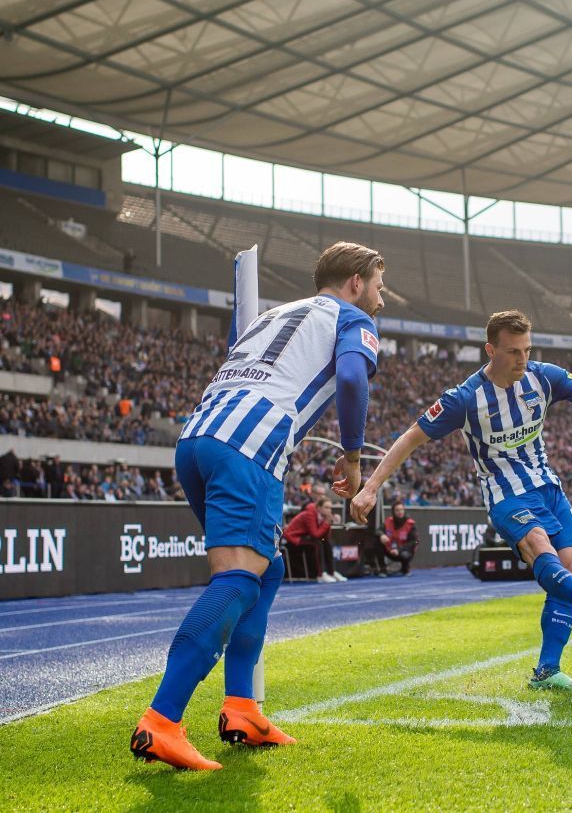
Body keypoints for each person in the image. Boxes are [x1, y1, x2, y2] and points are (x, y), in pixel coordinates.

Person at [131, 241, 384, 771]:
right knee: (239, 578)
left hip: (198, 437)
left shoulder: (273, 314)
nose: (382, 299)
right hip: (251, 444)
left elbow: (235, 351)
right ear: (356, 282)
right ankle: (161, 721)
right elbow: (355, 378)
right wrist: (354, 456)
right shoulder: (352, 315)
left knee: (267, 569)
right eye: (379, 286)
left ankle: (242, 708)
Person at [353, 309, 572, 692]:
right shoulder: (465, 398)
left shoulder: (543, 377)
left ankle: (548, 672)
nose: (522, 359)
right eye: (513, 352)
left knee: (570, 563)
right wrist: (371, 487)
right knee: (540, 547)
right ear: (491, 350)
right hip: (505, 493)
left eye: (526, 350)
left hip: (548, 486)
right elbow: (410, 437)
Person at [284, 498, 338, 583]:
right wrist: (326, 523)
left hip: (304, 537)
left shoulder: (322, 516)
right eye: (326, 507)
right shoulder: (310, 514)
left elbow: (325, 537)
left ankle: (332, 572)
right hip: (292, 538)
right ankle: (320, 575)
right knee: (317, 545)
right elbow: (315, 535)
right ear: (319, 508)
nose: (329, 510)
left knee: (326, 543)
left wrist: (328, 524)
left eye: (330, 508)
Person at [376, 499, 417, 576]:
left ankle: (405, 568)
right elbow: (378, 531)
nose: (400, 512)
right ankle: (383, 569)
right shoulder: (388, 522)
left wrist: (399, 550)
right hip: (390, 550)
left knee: (407, 552)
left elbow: (413, 542)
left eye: (401, 510)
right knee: (377, 540)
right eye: (397, 510)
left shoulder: (410, 524)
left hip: (403, 551)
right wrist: (381, 535)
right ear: (393, 512)